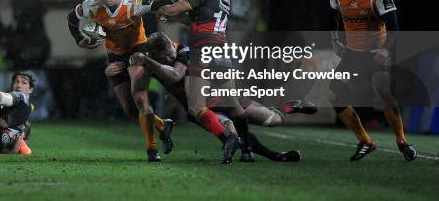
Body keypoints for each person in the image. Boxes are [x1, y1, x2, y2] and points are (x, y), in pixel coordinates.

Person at [124, 31, 317, 162]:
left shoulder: (185, 52)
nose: (168, 58)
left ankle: (289, 107)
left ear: (171, 46)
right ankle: (276, 156)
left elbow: (175, 75)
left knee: (274, 120)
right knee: (233, 135)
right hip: (202, 109)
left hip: (221, 96)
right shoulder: (153, 60)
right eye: (164, 57)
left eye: (169, 54)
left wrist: (148, 61)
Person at [67, 0, 177, 161]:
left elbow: (163, 2)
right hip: (115, 54)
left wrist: (182, 8)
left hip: (138, 51)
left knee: (140, 99)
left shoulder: (135, 1)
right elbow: (71, 17)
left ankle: (152, 150)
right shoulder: (93, 5)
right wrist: (79, 40)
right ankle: (162, 126)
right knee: (129, 108)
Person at [157, 0, 253, 164]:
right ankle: (248, 150)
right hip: (221, 53)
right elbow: (197, 19)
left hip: (202, 52)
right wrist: (176, 16)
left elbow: (176, 9)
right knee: (233, 104)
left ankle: (227, 139)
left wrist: (163, 9)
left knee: (196, 107)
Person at [329, 0, 416, 161]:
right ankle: (366, 142)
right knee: (335, 96)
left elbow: (394, 28)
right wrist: (334, 39)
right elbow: (332, 17)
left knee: (383, 92)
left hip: (375, 53)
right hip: (352, 54)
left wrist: (385, 50)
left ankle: (402, 141)